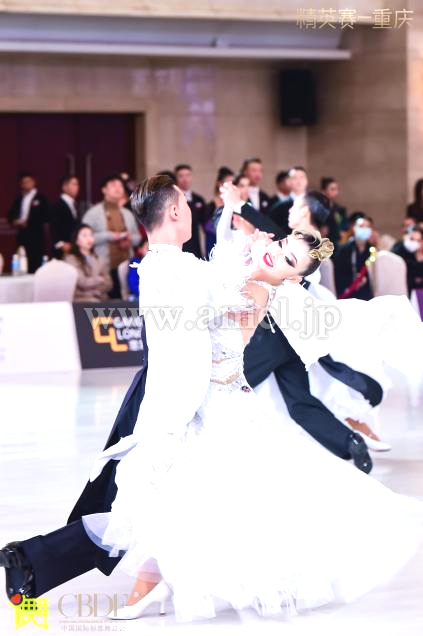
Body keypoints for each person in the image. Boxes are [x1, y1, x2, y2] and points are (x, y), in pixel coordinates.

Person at [80, 178, 423, 622]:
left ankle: (163, 584)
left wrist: (243, 260)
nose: (275, 253)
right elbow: (208, 283)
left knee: (210, 495)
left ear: (293, 277)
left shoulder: (259, 289)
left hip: (221, 403)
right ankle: (156, 583)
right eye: (280, 245)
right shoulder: (231, 272)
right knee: (176, 491)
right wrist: (240, 244)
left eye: (287, 259)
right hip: (199, 398)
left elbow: (213, 314)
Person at [82, 174, 141, 298]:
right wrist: (110, 236)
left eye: (120, 185)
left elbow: (138, 237)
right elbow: (83, 238)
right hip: (104, 267)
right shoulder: (93, 213)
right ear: (104, 190)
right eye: (113, 185)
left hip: (127, 266)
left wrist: (130, 239)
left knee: (126, 300)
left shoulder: (127, 213)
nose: (118, 188)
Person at [7, 173, 49, 273]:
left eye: (28, 181)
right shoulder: (19, 199)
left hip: (36, 236)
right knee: (22, 259)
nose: (26, 184)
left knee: (36, 261)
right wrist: (16, 221)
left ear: (34, 182)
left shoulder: (41, 198)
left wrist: (29, 222)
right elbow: (10, 216)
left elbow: (45, 216)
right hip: (22, 235)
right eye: (24, 182)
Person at [65, 224, 112, 302]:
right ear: (76, 240)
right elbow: (81, 282)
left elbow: (109, 283)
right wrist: (99, 279)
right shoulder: (71, 259)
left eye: (91, 235)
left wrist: (97, 291)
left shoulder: (99, 258)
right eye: (84, 236)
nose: (89, 238)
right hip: (81, 299)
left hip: (100, 297)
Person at [334, 216, 374, 300]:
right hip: (349, 295)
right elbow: (338, 275)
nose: (365, 229)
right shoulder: (344, 250)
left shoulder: (373, 251)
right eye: (361, 226)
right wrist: (354, 280)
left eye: (367, 226)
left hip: (368, 296)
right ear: (354, 228)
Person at [174, 163, 206, 259]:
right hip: (178, 246)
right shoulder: (172, 199)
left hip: (195, 245)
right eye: (181, 176)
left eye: (188, 175)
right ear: (176, 178)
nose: (185, 179)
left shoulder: (198, 199)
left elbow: (205, 222)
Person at [268, 166, 307, 236]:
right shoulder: (279, 207)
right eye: (295, 178)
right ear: (289, 181)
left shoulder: (315, 204)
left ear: (306, 180)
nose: (299, 181)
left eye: (302, 177)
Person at [204, 166, 234, 257]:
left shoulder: (234, 204)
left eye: (233, 183)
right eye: (228, 183)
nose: (231, 186)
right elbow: (206, 227)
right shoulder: (211, 206)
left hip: (231, 245)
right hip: (214, 243)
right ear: (219, 184)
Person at [50, 175, 80, 259]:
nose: (77, 187)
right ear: (64, 187)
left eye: (77, 184)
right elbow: (53, 226)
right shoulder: (57, 205)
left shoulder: (75, 204)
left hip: (74, 247)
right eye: (73, 184)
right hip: (63, 248)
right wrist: (60, 243)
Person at [392, 225, 423, 295]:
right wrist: (404, 244)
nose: (416, 243)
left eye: (419, 240)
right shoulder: (403, 250)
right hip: (406, 291)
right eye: (412, 239)